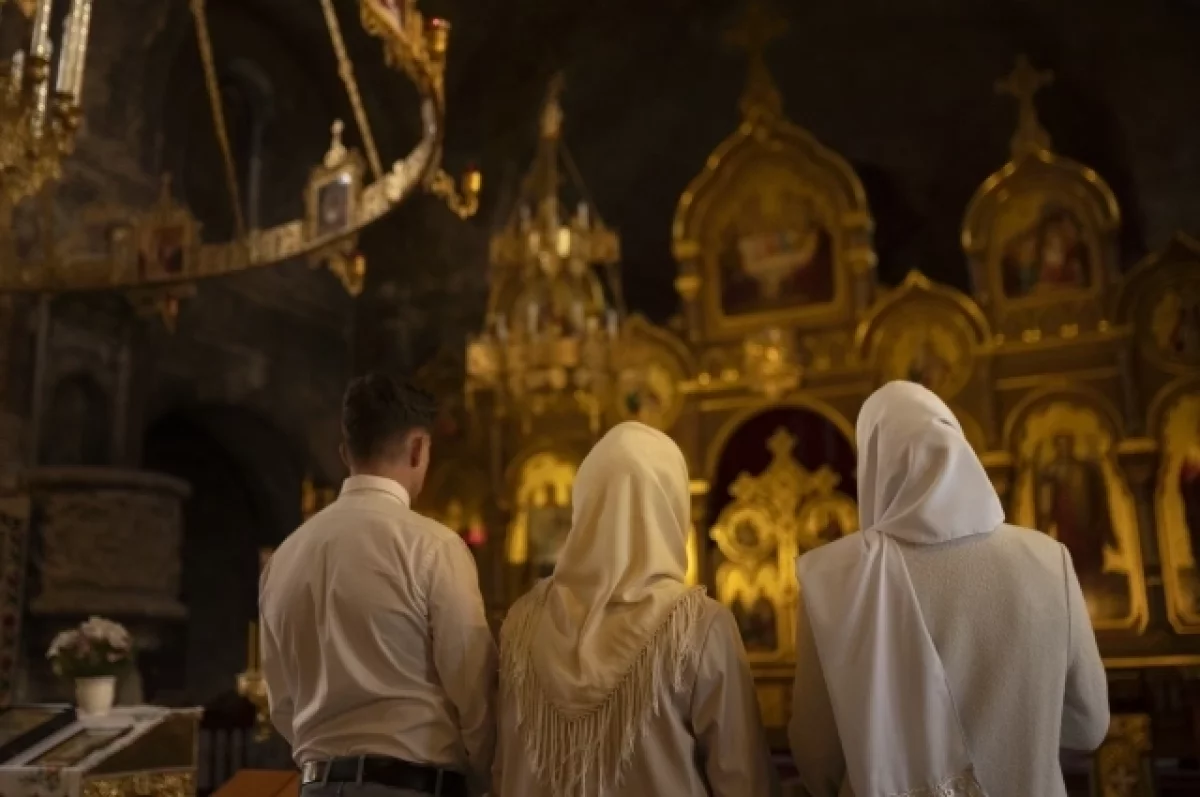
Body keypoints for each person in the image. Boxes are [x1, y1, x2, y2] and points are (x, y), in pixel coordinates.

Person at [789, 381, 1109, 797]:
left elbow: (817, 754)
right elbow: (1089, 726)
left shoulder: (833, 577)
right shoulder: (1049, 559)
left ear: (872, 461)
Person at [494, 422, 775, 797]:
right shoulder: (698, 625)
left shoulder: (521, 620)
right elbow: (743, 779)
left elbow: (502, 767)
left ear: (585, 503)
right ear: (670, 506)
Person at [259, 373, 496, 797]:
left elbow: (281, 704)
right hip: (411, 787)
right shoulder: (432, 547)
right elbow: (473, 691)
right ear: (419, 448)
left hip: (317, 786)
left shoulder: (284, 557)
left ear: (345, 452)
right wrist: (484, 776)